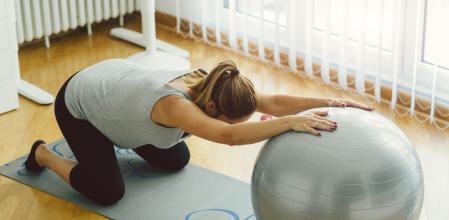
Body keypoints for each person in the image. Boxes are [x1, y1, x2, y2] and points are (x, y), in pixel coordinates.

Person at [24, 59, 374, 205]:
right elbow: (229, 137)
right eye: (226, 119)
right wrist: (291, 124)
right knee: (107, 190)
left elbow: (276, 102)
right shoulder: (176, 106)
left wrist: (333, 101)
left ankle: (118, 136)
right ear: (210, 110)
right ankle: (42, 152)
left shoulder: (218, 88)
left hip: (115, 86)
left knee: (176, 159)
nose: (230, 123)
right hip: (80, 103)